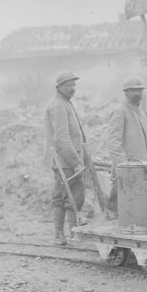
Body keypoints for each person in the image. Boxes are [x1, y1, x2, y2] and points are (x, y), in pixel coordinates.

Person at [44, 71, 87, 245]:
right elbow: (61, 137)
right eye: (69, 85)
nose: (72, 88)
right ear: (59, 87)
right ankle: (67, 235)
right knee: (71, 197)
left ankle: (64, 235)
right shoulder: (58, 105)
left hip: (65, 160)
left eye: (74, 85)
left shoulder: (64, 103)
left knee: (66, 196)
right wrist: (75, 162)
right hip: (65, 161)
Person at [106, 75, 147, 214]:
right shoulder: (120, 111)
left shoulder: (140, 113)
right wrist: (125, 168)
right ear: (126, 92)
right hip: (128, 174)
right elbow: (113, 143)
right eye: (133, 90)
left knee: (140, 212)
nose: (137, 93)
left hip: (144, 171)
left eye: (140, 90)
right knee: (123, 212)